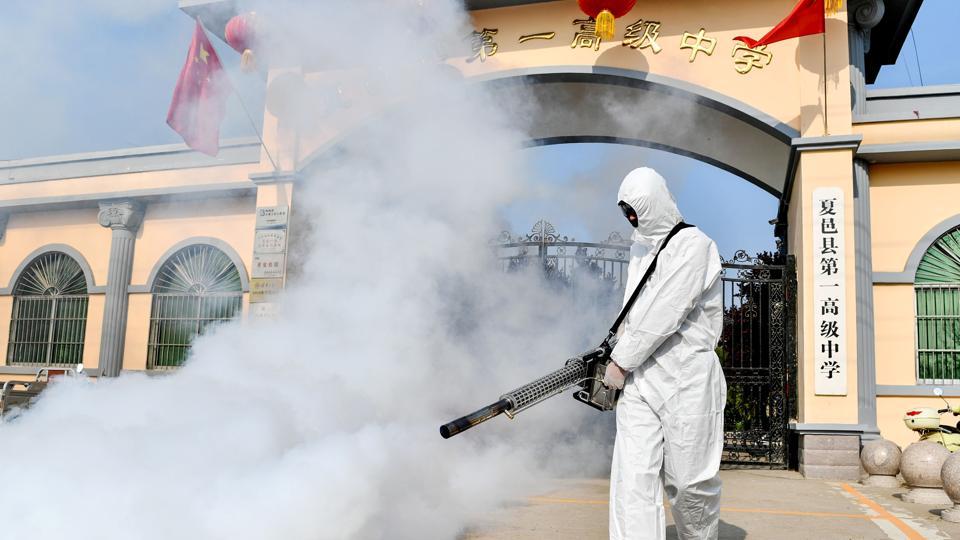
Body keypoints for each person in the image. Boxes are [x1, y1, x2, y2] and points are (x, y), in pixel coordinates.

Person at [601, 167, 727, 540]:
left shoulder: (696, 246)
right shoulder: (640, 250)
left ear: (656, 202)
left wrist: (622, 360)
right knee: (632, 481)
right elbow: (634, 313)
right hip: (640, 381)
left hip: (687, 378)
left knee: (690, 483)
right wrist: (613, 355)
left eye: (636, 210)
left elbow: (665, 311)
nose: (632, 219)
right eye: (626, 212)